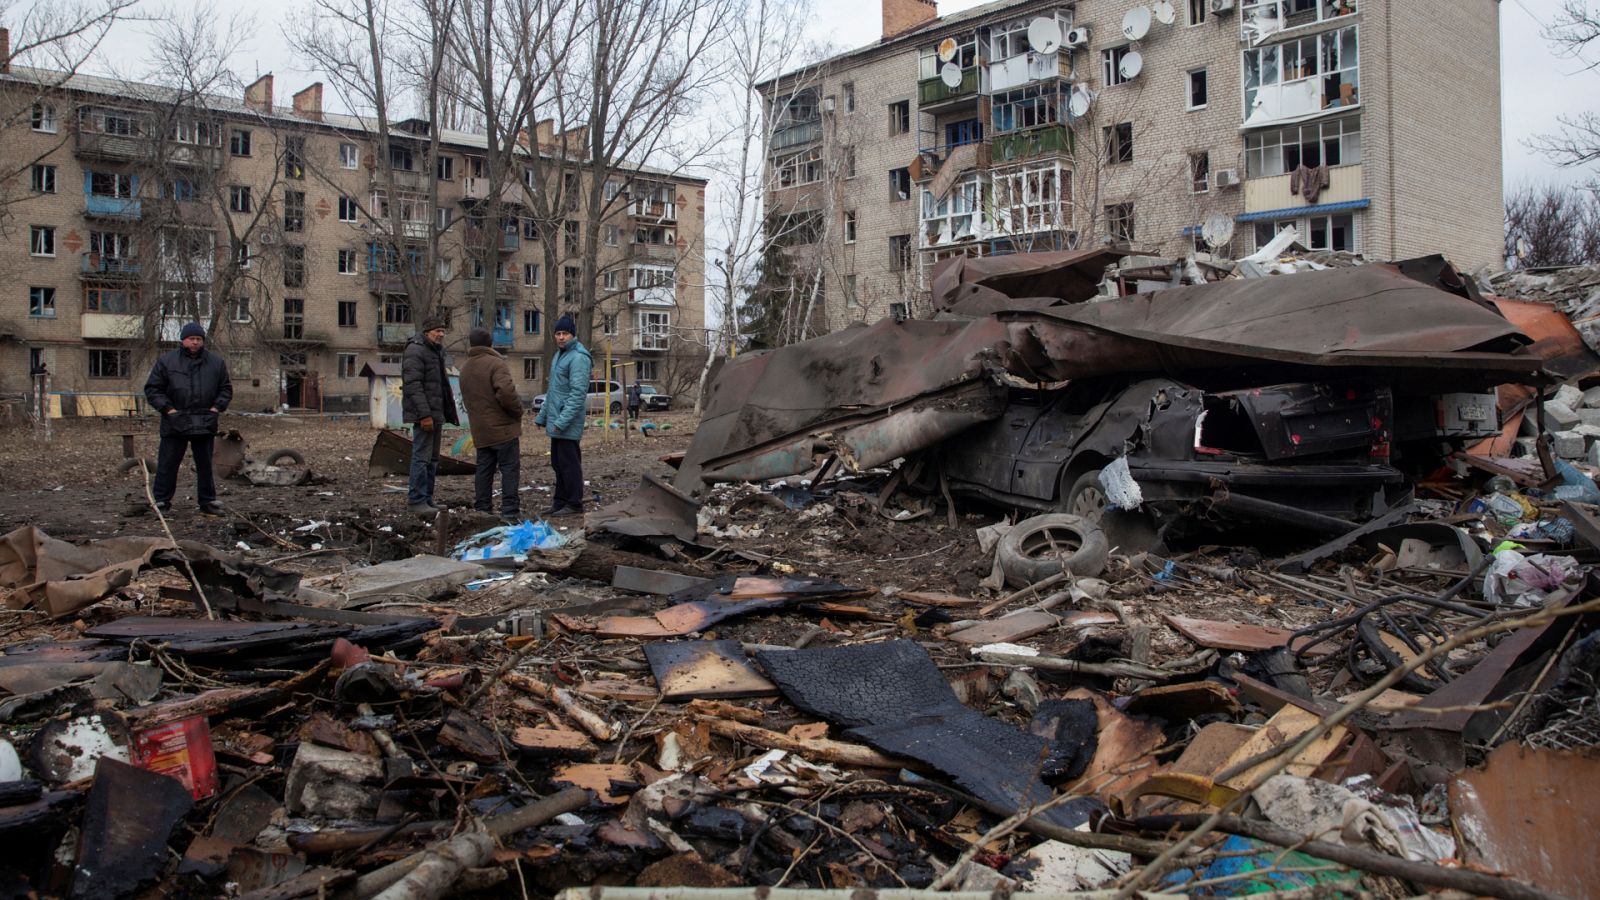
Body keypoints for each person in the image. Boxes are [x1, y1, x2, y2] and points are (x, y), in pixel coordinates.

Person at [142, 321, 232, 515]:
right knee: (167, 463)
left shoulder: (216, 363)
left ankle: (207, 501)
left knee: (205, 464)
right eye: (191, 339)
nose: (195, 343)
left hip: (205, 421)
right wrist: (169, 409)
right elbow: (153, 389)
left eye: (199, 339)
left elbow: (225, 389)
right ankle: (162, 501)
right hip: (175, 421)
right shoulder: (167, 362)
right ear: (183, 340)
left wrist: (216, 408)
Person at [460, 327, 524, 521]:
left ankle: (482, 510)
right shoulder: (496, 364)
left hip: (480, 430)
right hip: (503, 428)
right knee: (509, 469)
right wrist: (517, 411)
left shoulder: (465, 368)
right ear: (490, 344)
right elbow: (506, 393)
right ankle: (510, 510)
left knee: (484, 470)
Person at [533, 315, 591, 517]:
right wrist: (542, 416)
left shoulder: (578, 357)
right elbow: (553, 391)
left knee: (569, 464)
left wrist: (561, 421)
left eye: (565, 333)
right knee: (558, 463)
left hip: (567, 422)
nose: (561, 337)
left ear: (572, 335)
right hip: (557, 421)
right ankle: (560, 501)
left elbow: (577, 395)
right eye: (558, 333)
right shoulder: (560, 355)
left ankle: (574, 502)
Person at [401, 317, 459, 516]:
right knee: (421, 457)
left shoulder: (435, 351)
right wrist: (424, 415)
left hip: (436, 413)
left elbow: (440, 386)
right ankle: (416, 500)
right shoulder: (415, 351)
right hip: (424, 415)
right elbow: (413, 386)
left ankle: (427, 498)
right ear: (427, 332)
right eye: (437, 330)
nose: (441, 334)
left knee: (433, 459)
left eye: (443, 330)